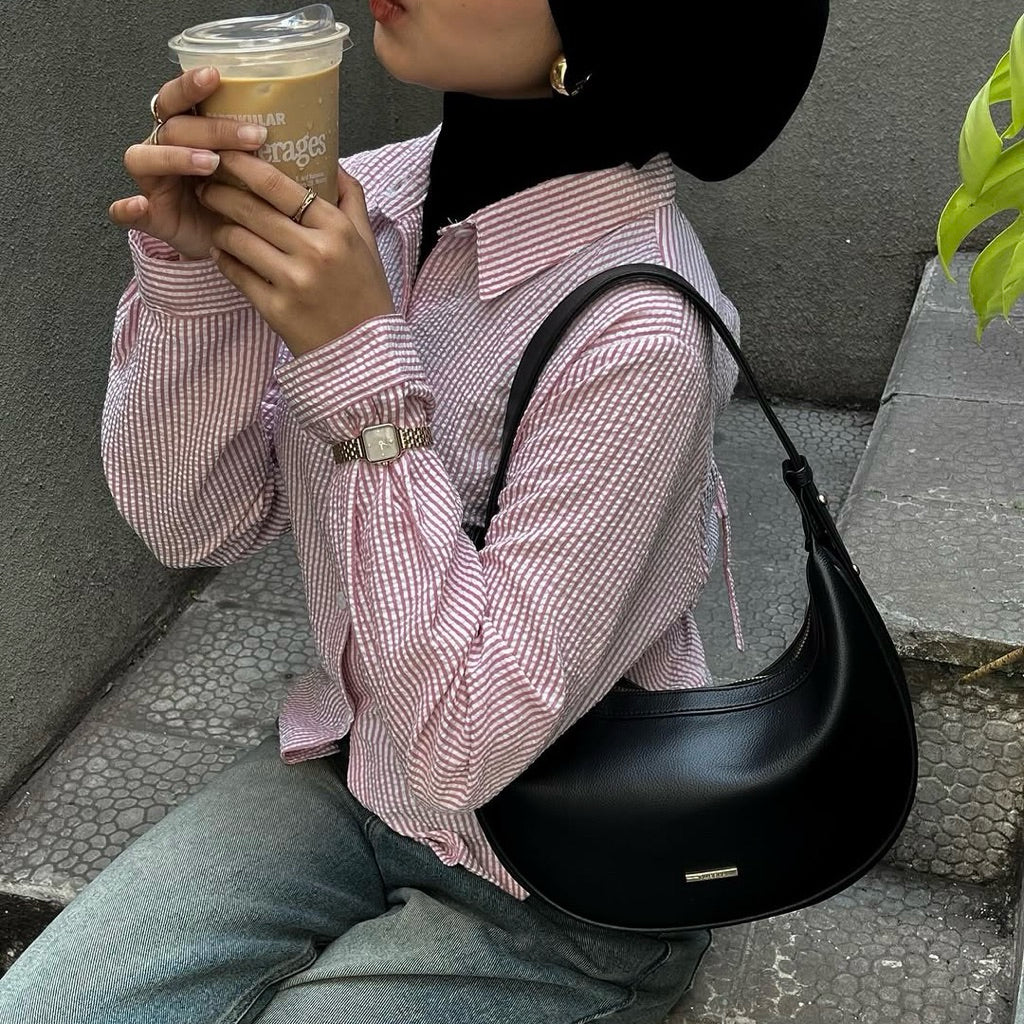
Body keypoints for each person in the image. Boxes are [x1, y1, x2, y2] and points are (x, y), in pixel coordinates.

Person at [0, 1, 828, 1021]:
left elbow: (462, 746)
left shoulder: (640, 334)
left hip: (565, 875)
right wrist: (197, 278)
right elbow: (193, 523)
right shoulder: (366, 214)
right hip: (357, 768)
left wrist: (356, 367)